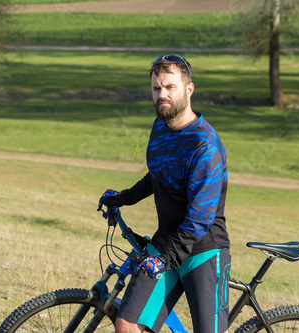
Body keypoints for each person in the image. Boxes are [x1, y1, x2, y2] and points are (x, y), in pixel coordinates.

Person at [99, 55, 231, 333]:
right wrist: (124, 197)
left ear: (189, 89)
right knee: (127, 323)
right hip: (166, 244)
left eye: (170, 87)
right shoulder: (160, 128)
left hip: (203, 251)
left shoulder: (204, 146)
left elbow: (199, 220)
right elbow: (158, 176)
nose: (162, 95)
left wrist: (165, 259)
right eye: (157, 89)